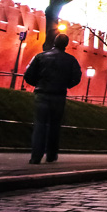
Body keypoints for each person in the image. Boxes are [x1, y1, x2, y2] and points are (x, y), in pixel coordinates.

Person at [23, 34, 82, 164]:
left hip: (42, 94)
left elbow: (28, 75)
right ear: (66, 45)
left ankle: (35, 157)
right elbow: (77, 77)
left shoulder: (40, 56)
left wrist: (38, 84)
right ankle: (51, 155)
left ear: (54, 42)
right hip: (59, 95)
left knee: (40, 125)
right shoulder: (71, 60)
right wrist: (66, 85)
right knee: (55, 126)